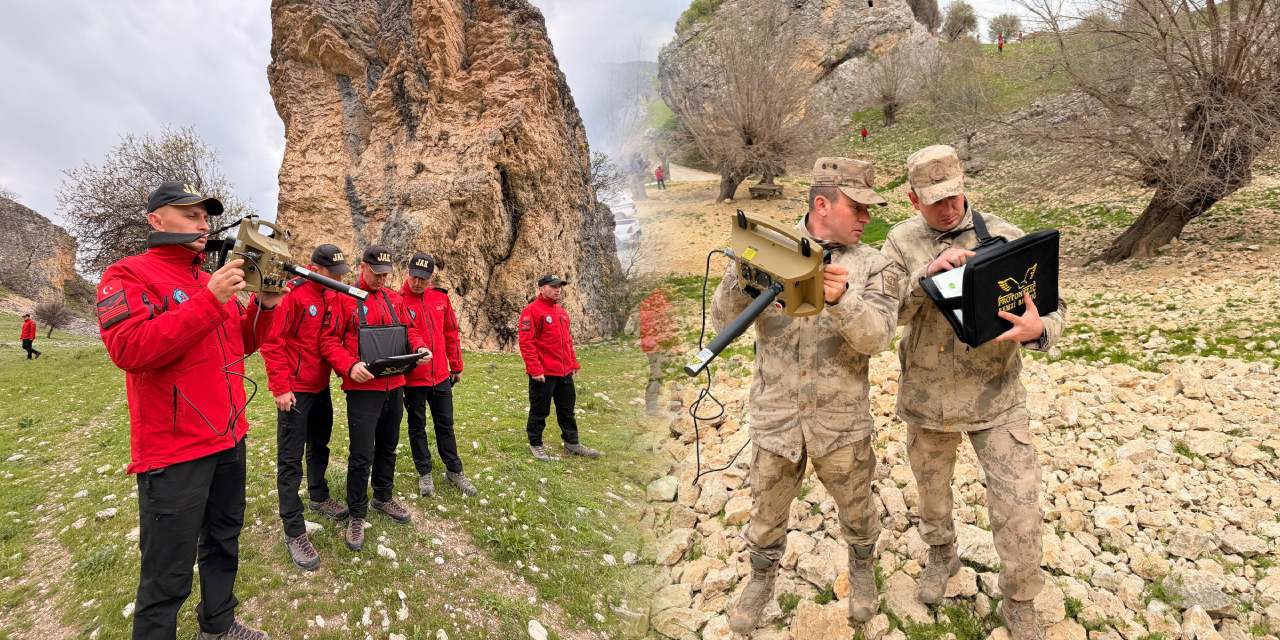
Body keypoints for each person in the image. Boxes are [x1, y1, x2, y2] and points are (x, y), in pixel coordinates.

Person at [881, 145, 1068, 640]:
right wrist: (925, 277)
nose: (948, 207)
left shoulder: (1004, 235)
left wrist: (1039, 329)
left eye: (954, 195)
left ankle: (1021, 598)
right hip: (927, 399)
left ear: (965, 184)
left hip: (997, 396)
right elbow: (883, 313)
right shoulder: (899, 243)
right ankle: (942, 554)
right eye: (934, 199)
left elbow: (1054, 308)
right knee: (932, 494)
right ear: (912, 198)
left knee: (1019, 504)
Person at [715, 158, 902, 633]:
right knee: (766, 508)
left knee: (857, 505)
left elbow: (877, 338)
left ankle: (861, 568)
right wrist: (742, 279)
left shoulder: (875, 265)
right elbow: (723, 324)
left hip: (841, 420)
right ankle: (760, 579)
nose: (866, 218)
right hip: (776, 415)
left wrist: (844, 303)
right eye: (857, 207)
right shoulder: (768, 249)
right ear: (823, 204)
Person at [97, 181, 278, 640]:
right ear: (156, 220)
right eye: (191, 214)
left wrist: (267, 306)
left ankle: (218, 625)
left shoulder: (205, 280)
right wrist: (209, 300)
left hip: (229, 436)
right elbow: (130, 349)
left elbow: (245, 342)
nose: (204, 224)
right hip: (174, 451)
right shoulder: (126, 275)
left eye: (206, 216)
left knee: (223, 542)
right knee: (166, 574)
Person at [320, 244, 428, 551]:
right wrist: (349, 365)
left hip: (395, 386)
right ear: (362, 268)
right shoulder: (345, 299)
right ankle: (357, 512)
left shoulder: (394, 300)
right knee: (361, 454)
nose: (381, 279)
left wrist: (419, 348)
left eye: (386, 274)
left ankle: (383, 495)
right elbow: (328, 342)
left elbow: (411, 330)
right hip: (362, 391)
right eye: (376, 273)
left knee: (388, 446)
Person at [259, 244, 353, 571]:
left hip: (320, 386)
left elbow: (338, 337)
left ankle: (318, 495)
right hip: (295, 391)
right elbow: (273, 342)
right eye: (333, 273)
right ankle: (294, 528)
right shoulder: (295, 296)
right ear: (316, 267)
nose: (339, 278)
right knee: (289, 458)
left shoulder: (334, 296)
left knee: (320, 445)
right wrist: (281, 388)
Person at [399, 252, 476, 497]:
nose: (417, 282)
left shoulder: (440, 298)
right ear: (407, 272)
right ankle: (424, 473)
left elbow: (451, 333)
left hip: (441, 375)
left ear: (431, 278)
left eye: (423, 278)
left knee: (446, 424)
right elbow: (406, 335)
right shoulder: (398, 301)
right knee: (417, 425)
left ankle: (454, 470)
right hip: (414, 379)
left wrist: (456, 366)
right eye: (414, 276)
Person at [517, 275, 601, 461]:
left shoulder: (562, 312)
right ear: (541, 289)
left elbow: (567, 341)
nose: (558, 290)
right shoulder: (531, 311)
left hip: (564, 372)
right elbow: (526, 343)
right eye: (553, 286)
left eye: (560, 287)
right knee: (540, 410)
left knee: (567, 409)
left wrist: (573, 363)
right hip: (543, 374)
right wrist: (535, 369)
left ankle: (572, 443)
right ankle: (536, 443)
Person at [638, 287, 676, 416]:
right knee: (656, 377)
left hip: (657, 347)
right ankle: (652, 409)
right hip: (655, 349)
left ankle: (665, 406)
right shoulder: (650, 310)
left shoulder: (649, 308)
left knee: (662, 376)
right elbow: (652, 331)